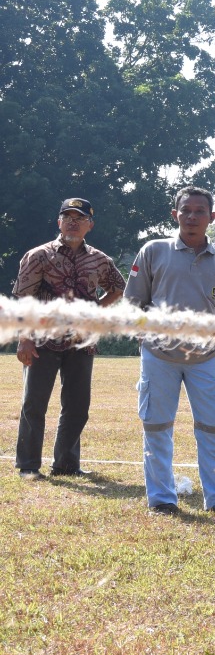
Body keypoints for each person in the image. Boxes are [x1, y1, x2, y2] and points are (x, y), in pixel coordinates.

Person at [124, 186, 215, 518]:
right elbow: (133, 304)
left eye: (199, 211)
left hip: (207, 359)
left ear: (212, 217)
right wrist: (147, 336)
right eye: (186, 210)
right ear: (174, 214)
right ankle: (162, 499)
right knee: (157, 427)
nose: (192, 217)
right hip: (159, 356)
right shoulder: (153, 251)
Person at [11, 198, 126, 479]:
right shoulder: (38, 255)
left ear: (90, 224)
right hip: (41, 341)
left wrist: (96, 310)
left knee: (77, 406)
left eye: (80, 217)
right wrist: (24, 339)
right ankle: (28, 466)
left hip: (81, 342)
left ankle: (66, 464)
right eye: (68, 216)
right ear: (58, 222)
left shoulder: (100, 260)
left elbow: (119, 288)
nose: (73, 221)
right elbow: (23, 299)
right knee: (34, 404)